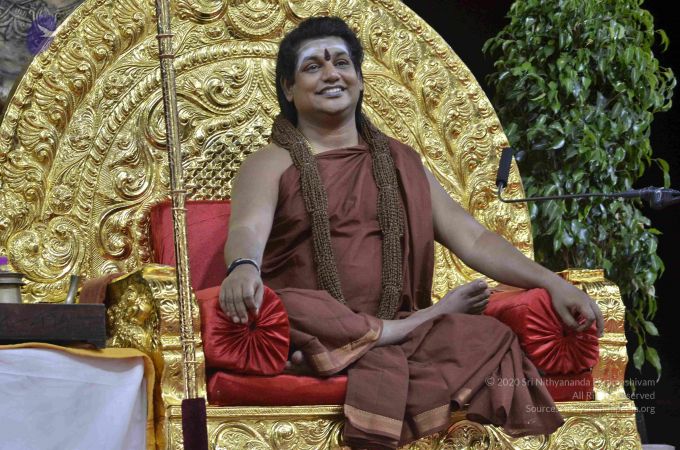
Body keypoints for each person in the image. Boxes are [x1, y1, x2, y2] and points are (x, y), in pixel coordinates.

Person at [218, 16, 603, 449]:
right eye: (312, 66)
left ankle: (361, 345)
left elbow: (474, 239)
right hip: (314, 323)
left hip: (396, 325)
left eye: (341, 63)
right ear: (288, 89)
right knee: (288, 303)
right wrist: (243, 266)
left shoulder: (402, 163)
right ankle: (396, 329)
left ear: (360, 80)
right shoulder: (269, 163)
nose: (331, 74)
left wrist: (553, 282)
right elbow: (248, 227)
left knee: (490, 336)